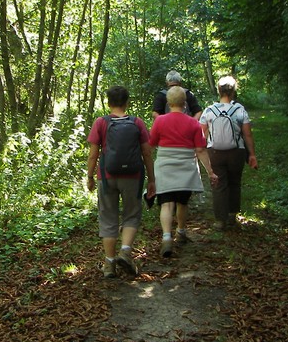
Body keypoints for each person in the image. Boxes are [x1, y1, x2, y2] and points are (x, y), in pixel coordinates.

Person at [87, 86, 156, 278]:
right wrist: (152, 179)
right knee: (131, 214)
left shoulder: (100, 123)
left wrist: (90, 176)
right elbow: (147, 153)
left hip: (107, 178)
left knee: (108, 217)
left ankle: (109, 265)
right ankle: (125, 252)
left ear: (108, 103)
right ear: (127, 102)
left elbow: (93, 155)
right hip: (133, 177)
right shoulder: (137, 122)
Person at [148, 86, 218, 257]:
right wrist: (210, 171)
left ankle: (166, 238)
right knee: (182, 202)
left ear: (168, 102)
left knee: (166, 203)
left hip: (165, 165)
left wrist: (147, 167)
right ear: (185, 103)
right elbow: (200, 150)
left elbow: (151, 145)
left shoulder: (160, 121)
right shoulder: (193, 123)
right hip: (186, 167)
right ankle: (180, 231)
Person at [200, 76, 258, 230]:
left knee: (218, 184)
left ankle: (220, 220)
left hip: (215, 152)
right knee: (234, 182)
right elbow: (247, 134)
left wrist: (201, 151)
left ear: (219, 91)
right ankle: (232, 215)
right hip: (236, 152)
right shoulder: (239, 110)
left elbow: (202, 133)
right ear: (233, 92)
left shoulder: (209, 110)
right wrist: (252, 154)